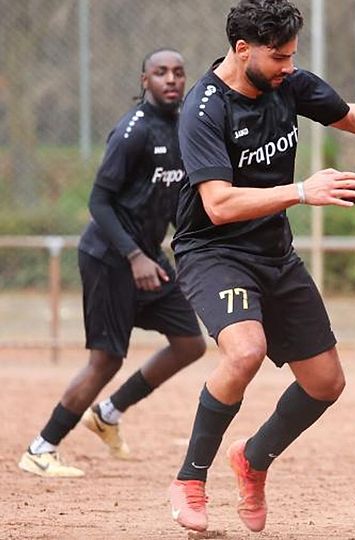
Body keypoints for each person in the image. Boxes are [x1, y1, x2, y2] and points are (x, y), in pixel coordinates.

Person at [166, 0, 355, 533]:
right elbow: (218, 204)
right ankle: (190, 480)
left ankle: (253, 458)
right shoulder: (205, 110)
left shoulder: (287, 83)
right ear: (242, 50)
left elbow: (351, 115)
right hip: (214, 252)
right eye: (279, 56)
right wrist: (304, 192)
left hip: (272, 253)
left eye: (292, 55)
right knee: (246, 351)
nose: (288, 66)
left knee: (326, 383)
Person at [18, 49, 207, 478]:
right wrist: (135, 256)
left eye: (178, 72)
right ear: (145, 80)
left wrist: (187, 244)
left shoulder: (182, 128)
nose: (172, 79)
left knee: (189, 343)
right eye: (161, 72)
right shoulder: (132, 131)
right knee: (105, 359)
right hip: (109, 256)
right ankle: (40, 448)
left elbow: (173, 198)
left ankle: (107, 413)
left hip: (147, 255)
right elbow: (99, 202)